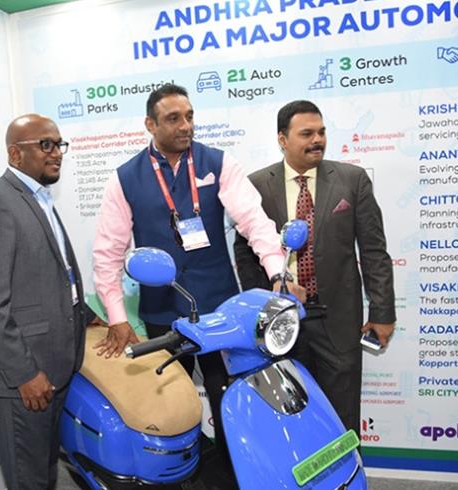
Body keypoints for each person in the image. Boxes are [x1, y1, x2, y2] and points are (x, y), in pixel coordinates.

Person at [92, 83, 299, 456]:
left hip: (219, 307)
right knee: (167, 399)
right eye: (174, 119)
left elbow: (255, 222)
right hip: (161, 309)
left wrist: (277, 273)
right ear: (150, 125)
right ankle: (182, 472)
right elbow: (108, 253)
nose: (185, 125)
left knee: (227, 392)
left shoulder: (218, 164)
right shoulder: (124, 179)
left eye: (189, 117)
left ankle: (234, 466)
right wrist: (117, 317)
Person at [233, 100, 396, 438]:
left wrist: (382, 312)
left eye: (321, 132)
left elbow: (373, 251)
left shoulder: (352, 180)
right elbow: (244, 251)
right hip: (283, 321)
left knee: (342, 416)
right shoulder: (257, 186)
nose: (317, 140)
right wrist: (266, 303)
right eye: (306, 133)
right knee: (289, 415)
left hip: (338, 318)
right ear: (282, 139)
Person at [0, 114, 95, 489]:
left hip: (54, 371)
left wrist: (88, 317)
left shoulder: (39, 199)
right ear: (15, 153)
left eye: (59, 144)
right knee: (29, 481)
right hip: (25, 378)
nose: (57, 153)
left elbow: (50, 280)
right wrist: (24, 373)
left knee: (43, 474)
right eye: (45, 145)